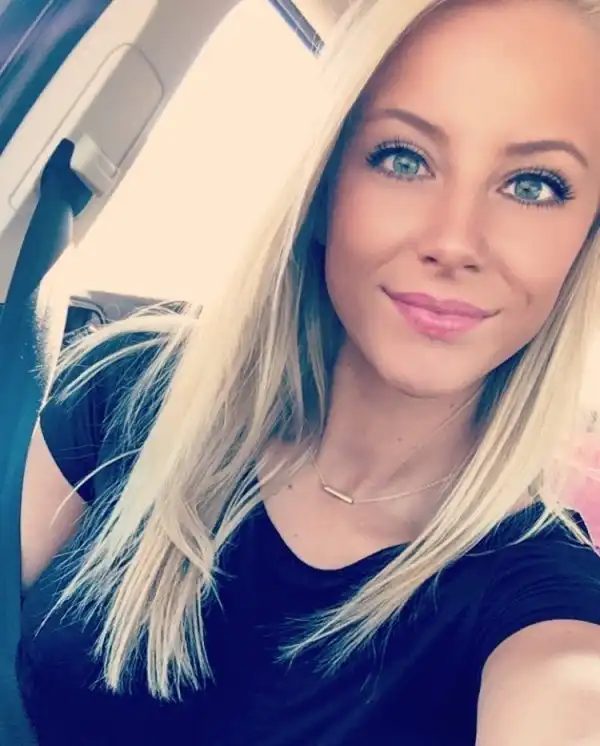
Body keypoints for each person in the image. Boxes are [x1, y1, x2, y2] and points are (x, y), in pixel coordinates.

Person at [18, 0, 600, 743]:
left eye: (534, 185)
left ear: (584, 240)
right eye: (403, 159)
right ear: (323, 189)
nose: (456, 241)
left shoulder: (544, 599)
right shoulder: (129, 386)